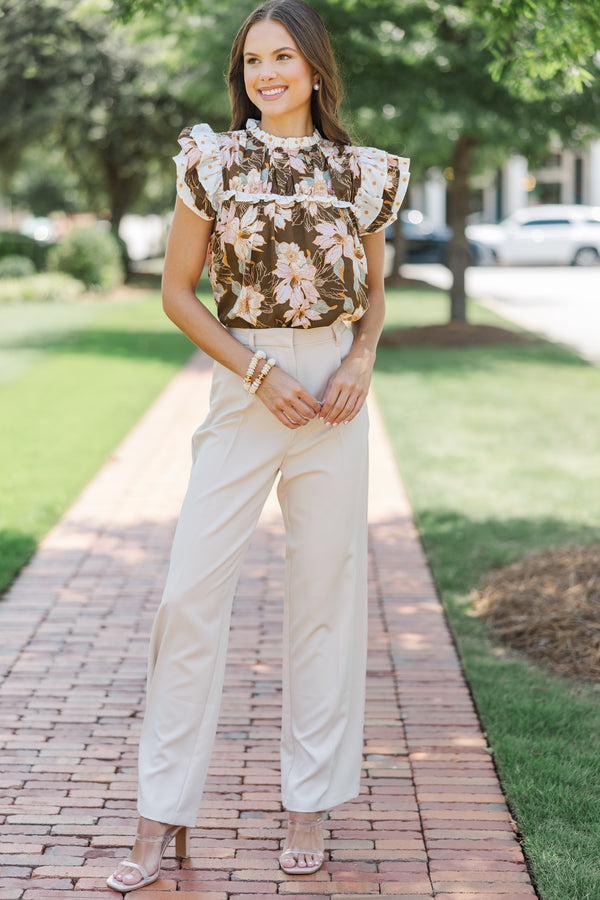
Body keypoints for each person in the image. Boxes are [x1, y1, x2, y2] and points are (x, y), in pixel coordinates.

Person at [107, 0, 409, 892]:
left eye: (282, 57)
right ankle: (160, 816)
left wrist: (359, 357)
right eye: (251, 61)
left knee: (325, 597)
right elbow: (177, 292)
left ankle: (308, 803)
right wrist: (256, 373)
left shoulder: (364, 174)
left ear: (316, 69)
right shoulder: (212, 162)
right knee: (189, 597)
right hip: (247, 388)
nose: (265, 74)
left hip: (334, 399)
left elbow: (375, 296)